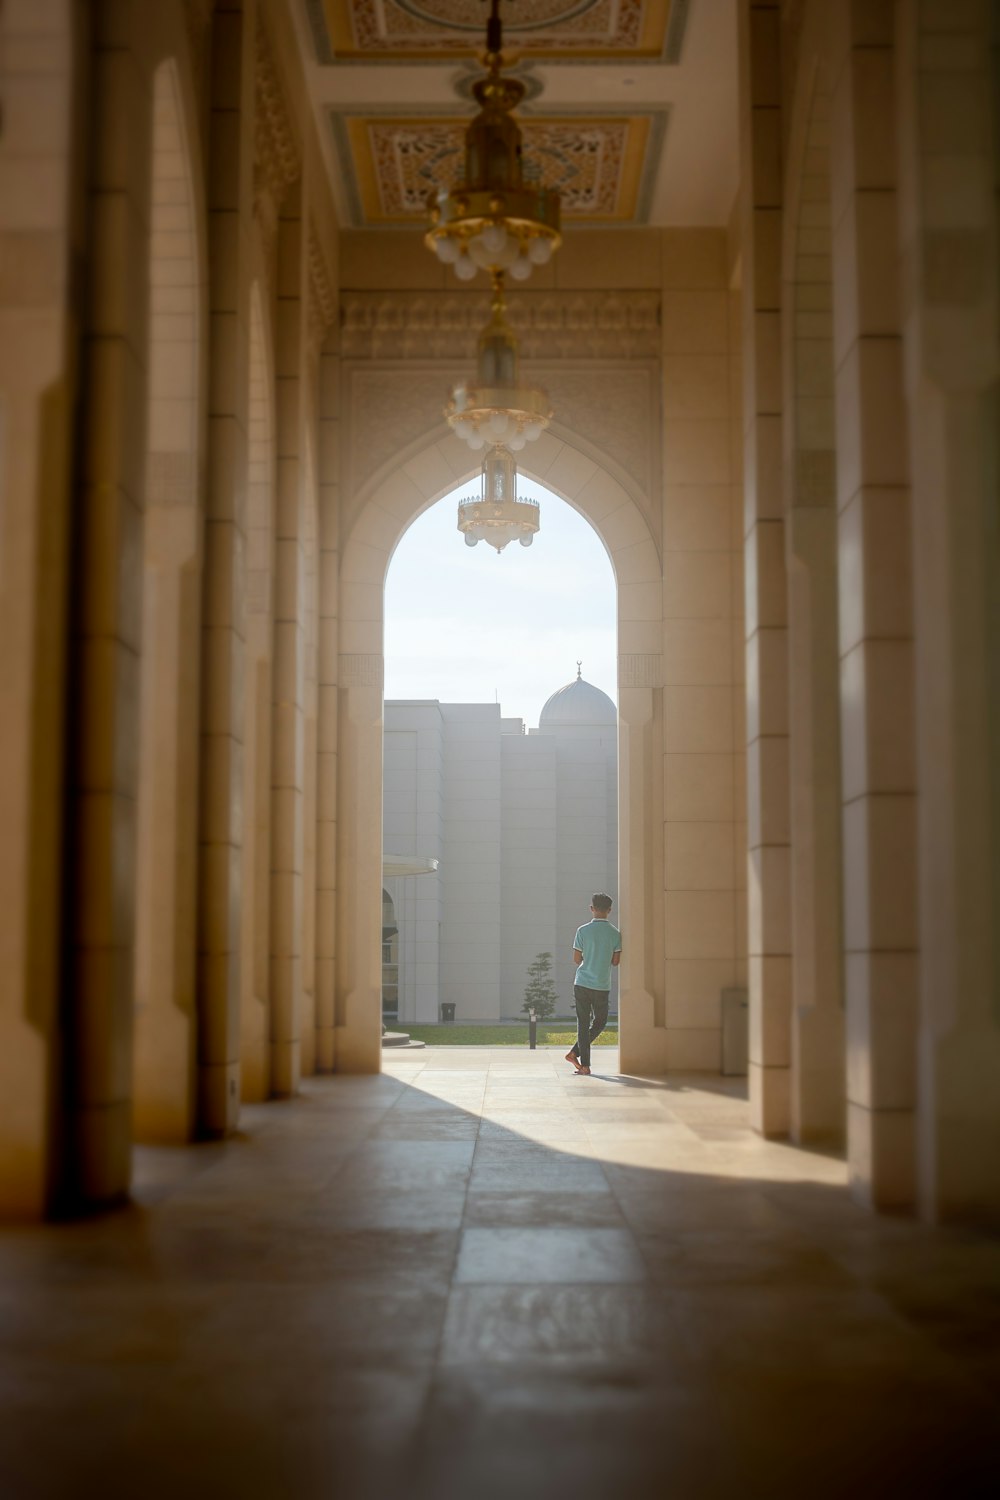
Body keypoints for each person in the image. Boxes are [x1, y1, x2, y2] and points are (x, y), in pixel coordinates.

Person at [565, 893, 621, 1075]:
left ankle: (580, 1059)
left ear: (592, 908)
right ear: (609, 910)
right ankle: (578, 1057)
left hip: (581, 983)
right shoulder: (615, 933)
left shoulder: (582, 931)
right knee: (600, 1022)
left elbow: (576, 959)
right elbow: (615, 961)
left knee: (583, 1023)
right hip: (602, 984)